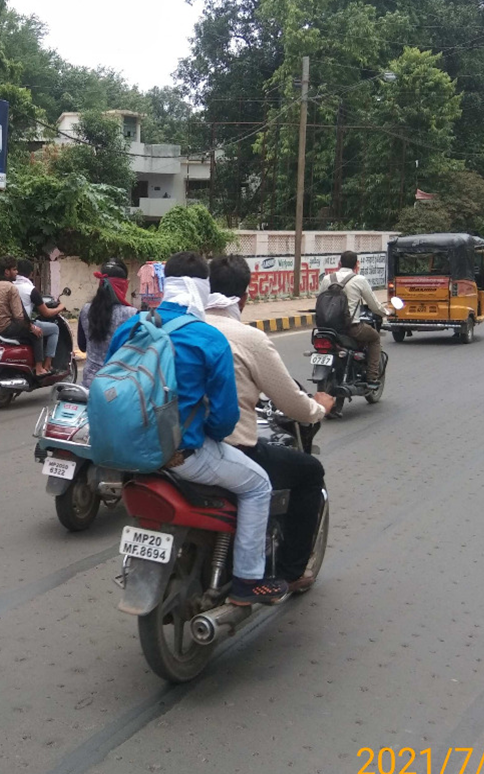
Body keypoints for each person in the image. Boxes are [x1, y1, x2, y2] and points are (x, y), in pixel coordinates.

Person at [106, 251, 286, 606]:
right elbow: (223, 419)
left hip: (125, 451)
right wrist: (211, 436)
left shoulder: (131, 327)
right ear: (204, 289)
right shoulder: (207, 337)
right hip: (181, 456)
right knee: (258, 485)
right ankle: (248, 580)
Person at [206, 255, 333, 593]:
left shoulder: (181, 328)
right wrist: (318, 408)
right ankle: (290, 574)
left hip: (177, 446)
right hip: (230, 447)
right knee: (309, 472)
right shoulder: (249, 339)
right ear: (245, 298)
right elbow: (291, 402)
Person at [323, 250, 388, 388]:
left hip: (327, 329)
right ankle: (372, 377)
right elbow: (374, 305)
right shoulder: (359, 280)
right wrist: (386, 313)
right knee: (375, 338)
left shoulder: (327, 279)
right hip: (351, 328)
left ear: (339, 263)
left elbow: (321, 299)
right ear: (356, 264)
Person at [0, 255, 46, 370]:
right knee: (37, 334)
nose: (17, 272)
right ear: (6, 272)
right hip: (5, 328)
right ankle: (39, 368)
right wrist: (32, 328)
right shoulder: (11, 288)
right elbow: (19, 316)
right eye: (14, 269)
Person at [78, 259, 138, 386]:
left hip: (90, 382)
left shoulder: (86, 310)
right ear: (123, 287)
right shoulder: (132, 314)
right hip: (119, 384)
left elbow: (82, 346)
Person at [15, 259, 63, 376]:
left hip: (9, 323)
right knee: (54, 329)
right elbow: (46, 313)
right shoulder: (31, 290)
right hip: (24, 324)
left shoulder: (10, 286)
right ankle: (45, 366)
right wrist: (60, 308)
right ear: (31, 273)